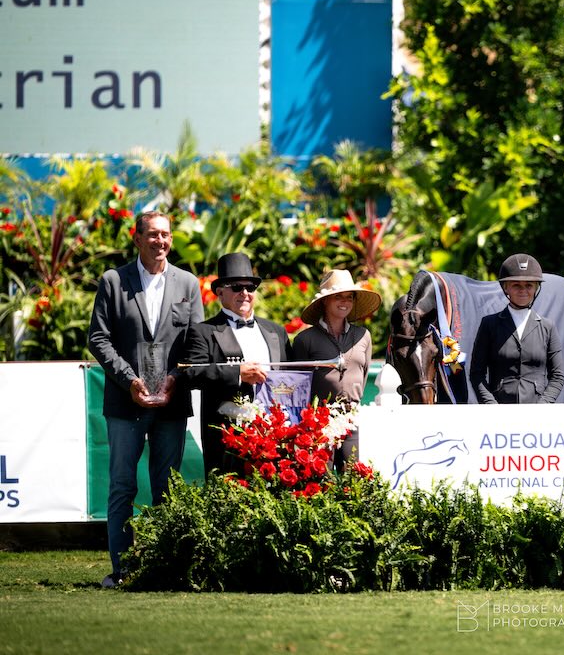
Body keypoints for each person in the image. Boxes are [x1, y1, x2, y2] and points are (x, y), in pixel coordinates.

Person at [88, 211, 204, 588]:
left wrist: (173, 380)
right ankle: (121, 571)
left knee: (166, 487)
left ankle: (164, 567)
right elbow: (98, 339)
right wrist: (129, 380)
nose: (160, 241)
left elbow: (195, 343)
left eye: (166, 234)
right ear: (136, 238)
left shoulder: (188, 283)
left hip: (171, 403)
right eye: (152, 234)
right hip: (126, 403)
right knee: (123, 485)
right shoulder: (113, 281)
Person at [182, 252, 291, 473]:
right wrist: (237, 373)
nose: (244, 293)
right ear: (220, 292)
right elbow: (190, 372)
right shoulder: (203, 331)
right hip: (228, 437)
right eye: (236, 287)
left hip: (275, 434)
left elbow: (289, 378)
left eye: (250, 287)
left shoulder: (276, 331)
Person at [290, 268, 381, 466]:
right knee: (322, 483)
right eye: (338, 297)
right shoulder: (305, 340)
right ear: (325, 300)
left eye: (349, 297)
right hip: (319, 422)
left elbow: (363, 377)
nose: (345, 302)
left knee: (355, 480)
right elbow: (298, 387)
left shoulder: (363, 335)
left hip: (352, 420)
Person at [469, 253, 564, 404]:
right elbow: (477, 373)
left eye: (528, 285)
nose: (523, 290)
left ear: (536, 288)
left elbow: (558, 376)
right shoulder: (489, 324)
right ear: (506, 287)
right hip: (499, 409)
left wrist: (543, 405)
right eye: (516, 285)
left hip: (537, 411)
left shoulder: (548, 327)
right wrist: (490, 404)